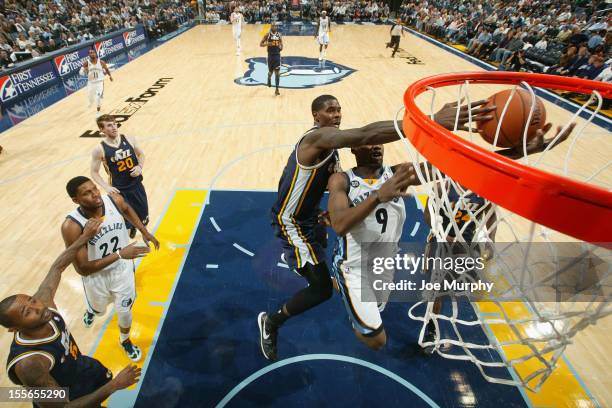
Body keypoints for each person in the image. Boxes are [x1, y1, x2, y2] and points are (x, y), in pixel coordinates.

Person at [257, 94, 496, 360]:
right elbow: (363, 134)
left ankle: (347, 289)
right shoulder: (316, 138)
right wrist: (430, 122)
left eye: (339, 110)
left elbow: (447, 166)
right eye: (329, 111)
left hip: (316, 221)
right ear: (316, 116)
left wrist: (513, 152)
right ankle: (272, 321)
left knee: (343, 283)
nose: (336, 115)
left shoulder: (362, 164)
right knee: (321, 289)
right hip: (293, 223)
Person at [420, 122, 576, 353]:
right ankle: (431, 325)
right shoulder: (446, 185)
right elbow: (428, 214)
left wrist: (490, 240)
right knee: (437, 289)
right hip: (442, 243)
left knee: (463, 288)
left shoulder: (486, 190)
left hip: (467, 244)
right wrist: (441, 233)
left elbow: (491, 214)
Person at [1, 218, 142, 406]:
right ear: (15, 329)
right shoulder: (30, 364)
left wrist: (84, 237)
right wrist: (114, 385)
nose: (39, 307)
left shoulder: (43, 303)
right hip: (66, 393)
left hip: (78, 366)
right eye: (28, 312)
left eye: (32, 300)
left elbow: (57, 267)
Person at [328, 145, 418, 350]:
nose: (376, 145)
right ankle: (344, 286)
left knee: (377, 307)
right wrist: (378, 196)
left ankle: (336, 284)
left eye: (380, 141)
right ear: (354, 149)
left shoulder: (396, 175)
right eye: (369, 141)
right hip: (354, 267)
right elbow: (339, 225)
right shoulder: (342, 180)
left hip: (384, 263)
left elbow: (440, 170)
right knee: (377, 341)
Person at [61, 176, 159, 362]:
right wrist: (121, 253)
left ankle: (125, 340)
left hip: (122, 271)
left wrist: (144, 231)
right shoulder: (72, 226)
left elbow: (127, 209)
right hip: (96, 276)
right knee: (99, 310)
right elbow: (82, 269)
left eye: (95, 189)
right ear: (76, 200)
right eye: (87, 193)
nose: (95, 194)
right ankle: (93, 310)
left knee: (125, 311)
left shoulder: (114, 200)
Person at [90, 115, 149, 239]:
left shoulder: (129, 138)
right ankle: (131, 237)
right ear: (102, 129)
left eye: (115, 124)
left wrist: (139, 167)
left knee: (144, 219)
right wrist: (106, 187)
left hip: (136, 186)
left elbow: (141, 155)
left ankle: (142, 233)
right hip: (119, 191)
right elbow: (94, 172)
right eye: (109, 125)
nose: (114, 127)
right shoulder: (99, 149)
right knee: (125, 223)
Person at [80, 48, 113, 116]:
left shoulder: (101, 62)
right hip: (91, 83)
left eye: (93, 52)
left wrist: (110, 76)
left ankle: (98, 112)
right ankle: (91, 102)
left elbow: (106, 69)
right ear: (89, 55)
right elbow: (80, 73)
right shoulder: (86, 63)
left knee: (98, 97)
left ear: (95, 53)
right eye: (90, 53)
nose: (92, 54)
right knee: (91, 98)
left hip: (99, 82)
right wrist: (84, 71)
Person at [260, 23, 283, 96]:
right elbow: (260, 44)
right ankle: (269, 78)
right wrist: (268, 44)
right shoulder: (267, 35)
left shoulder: (279, 35)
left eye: (275, 26)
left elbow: (281, 43)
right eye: (273, 26)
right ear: (271, 27)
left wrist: (281, 47)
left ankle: (277, 89)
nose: (274, 27)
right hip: (270, 56)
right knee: (270, 72)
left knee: (278, 74)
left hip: (277, 56)